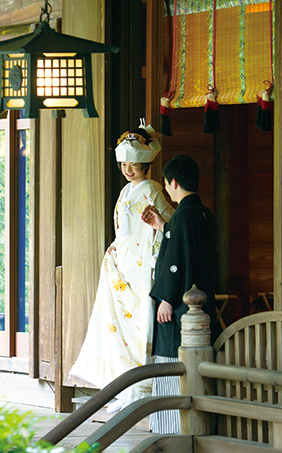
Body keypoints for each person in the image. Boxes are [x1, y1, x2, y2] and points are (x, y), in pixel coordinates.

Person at [69, 122, 175, 408]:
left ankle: (141, 390)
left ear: (145, 165)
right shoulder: (126, 191)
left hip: (142, 264)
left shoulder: (151, 189)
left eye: (135, 165)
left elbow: (170, 223)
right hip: (123, 261)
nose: (129, 170)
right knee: (118, 324)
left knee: (139, 324)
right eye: (125, 164)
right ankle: (124, 388)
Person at [141, 153, 220, 434]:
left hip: (180, 309)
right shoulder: (201, 213)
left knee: (174, 360)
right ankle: (194, 424)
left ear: (173, 182)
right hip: (202, 306)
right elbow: (186, 249)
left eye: (166, 183)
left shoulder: (184, 216)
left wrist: (166, 299)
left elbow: (176, 263)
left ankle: (174, 426)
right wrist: (164, 226)